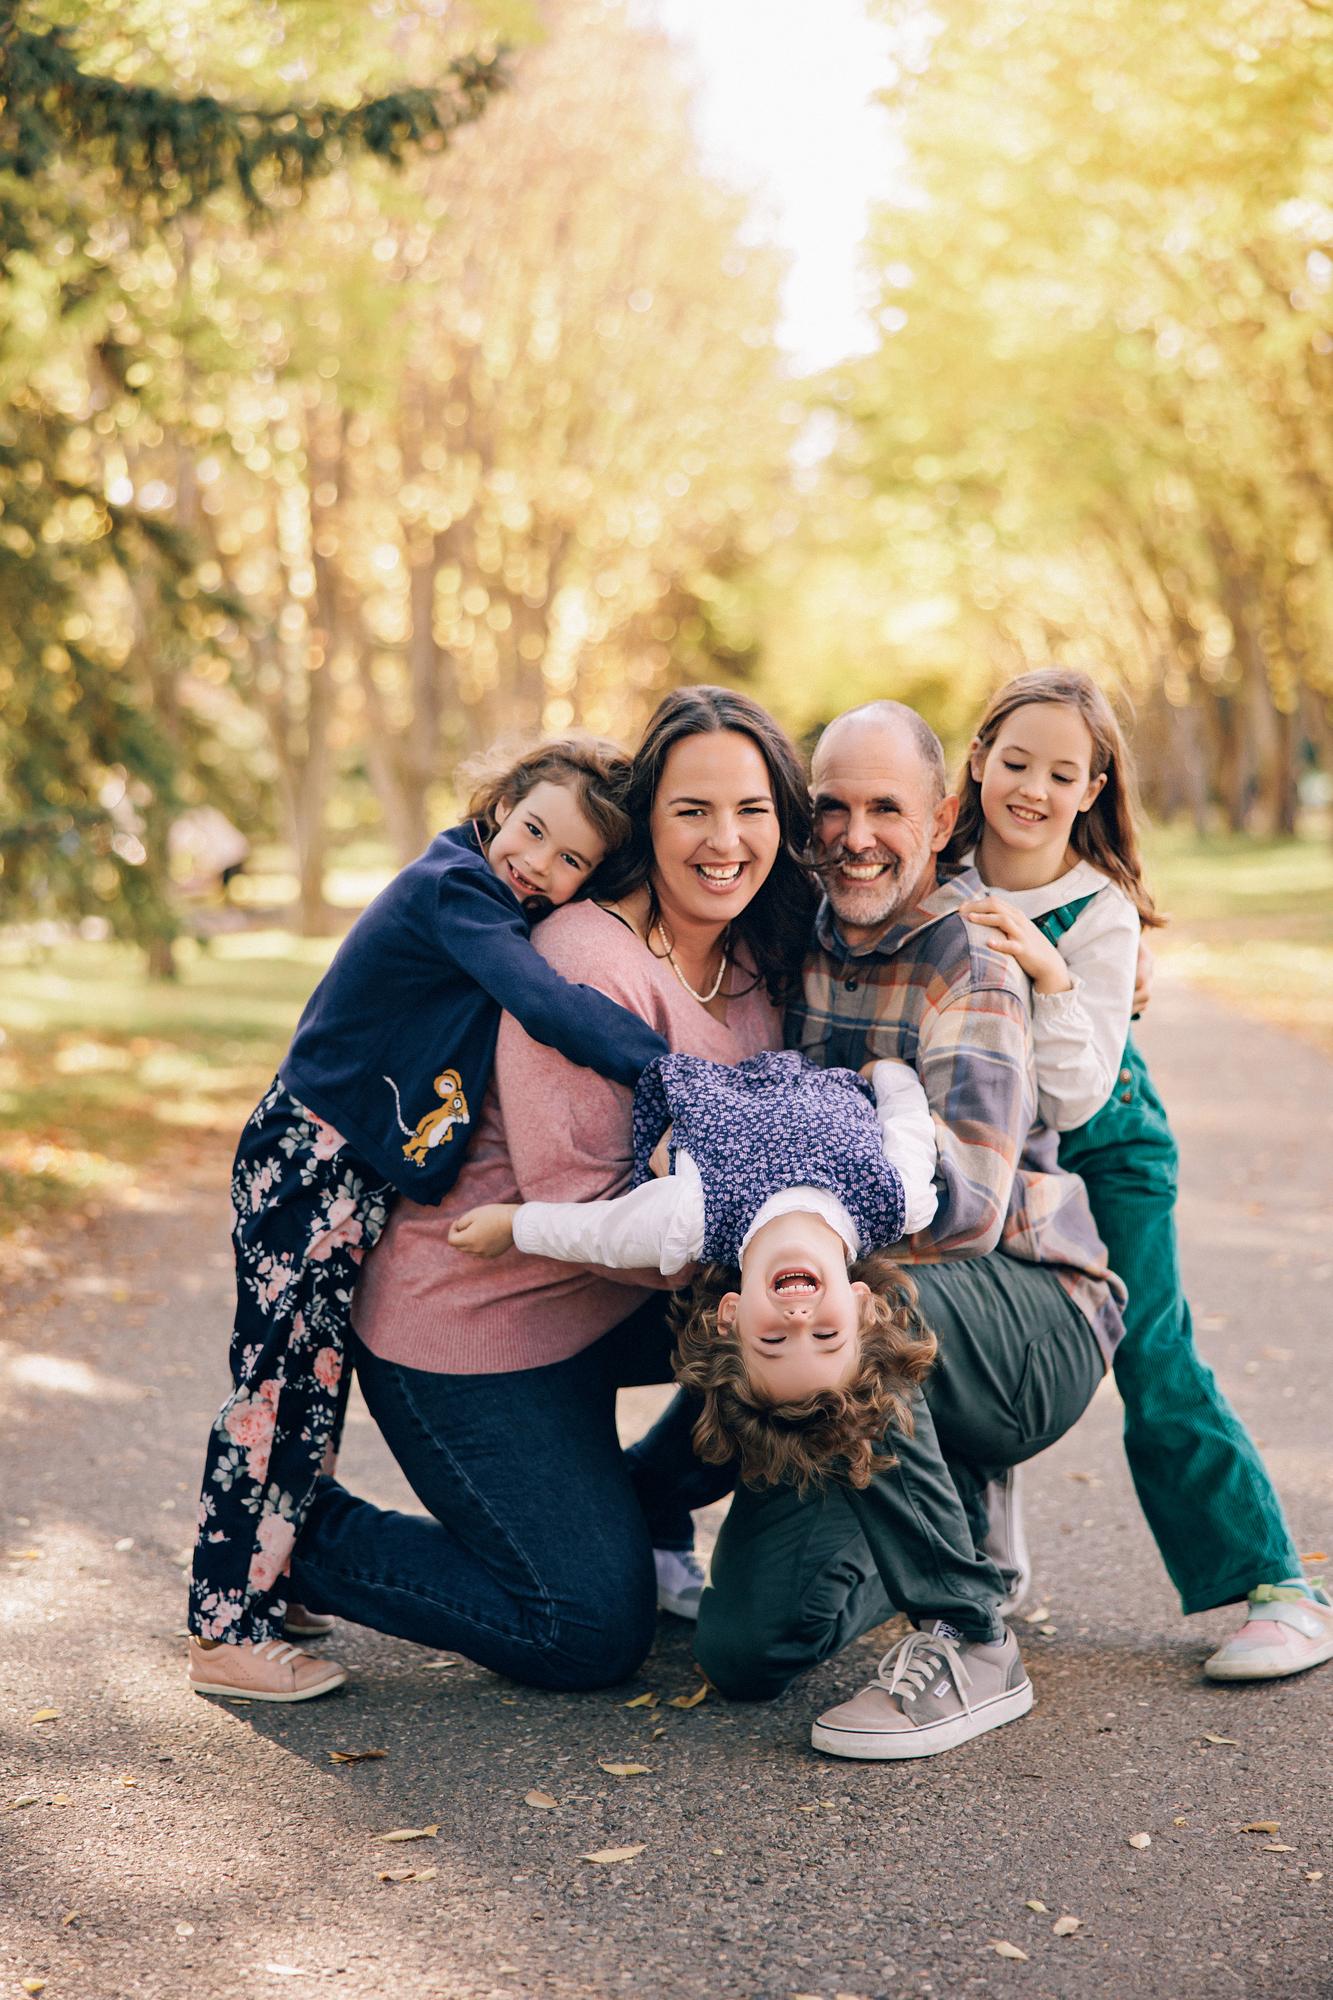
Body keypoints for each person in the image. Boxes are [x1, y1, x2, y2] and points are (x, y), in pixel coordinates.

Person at [277, 687, 818, 1689]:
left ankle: (639, 1501)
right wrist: (804, 1225)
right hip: (473, 1326)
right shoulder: (581, 956)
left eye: (749, 809)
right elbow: (593, 1205)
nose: (723, 839)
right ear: (645, 823)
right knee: (583, 1628)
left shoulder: (760, 951)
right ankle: (303, 1534)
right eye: (691, 810)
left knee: (819, 1338)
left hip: (603, 1308)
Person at [672, 698, 1125, 1760]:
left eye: (886, 806)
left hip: (1028, 1308)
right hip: (865, 1315)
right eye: (831, 806)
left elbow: (965, 1203)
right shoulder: (796, 930)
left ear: (941, 815)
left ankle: (968, 1634)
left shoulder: (970, 952)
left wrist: (784, 1248)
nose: (856, 832)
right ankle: (936, 1507)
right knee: (744, 1647)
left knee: (852, 1304)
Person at [188, 736, 670, 1702]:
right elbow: (542, 1001)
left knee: (316, 1384)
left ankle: (273, 1576)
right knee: (279, 1385)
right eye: (532, 830)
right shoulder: (455, 884)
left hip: (353, 1175)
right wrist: (672, 1071)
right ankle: (221, 1627)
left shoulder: (495, 895)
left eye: (569, 860)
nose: (536, 864)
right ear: (502, 803)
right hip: (308, 1162)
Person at [949, 667, 1332, 1682]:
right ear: (979, 756)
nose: (1031, 786)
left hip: (1102, 1149)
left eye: (1061, 771)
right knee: (961, 1331)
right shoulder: (935, 872)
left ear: (1093, 786)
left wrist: (1046, 966)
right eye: (1016, 759)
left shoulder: (1098, 908)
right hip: (973, 1149)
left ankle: (1279, 1585)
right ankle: (977, 1550)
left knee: (1152, 1353)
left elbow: (1074, 1094)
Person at [448, 1045, 939, 1477]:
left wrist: (514, 1225)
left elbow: (596, 1233)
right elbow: (910, 1128)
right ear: (862, 1307)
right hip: (801, 1048)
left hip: (698, 1065)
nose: (798, 1320)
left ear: (729, 1317)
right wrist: (892, 1075)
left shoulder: (690, 1220)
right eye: (826, 1336)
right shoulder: (896, 1200)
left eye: (773, 1340)